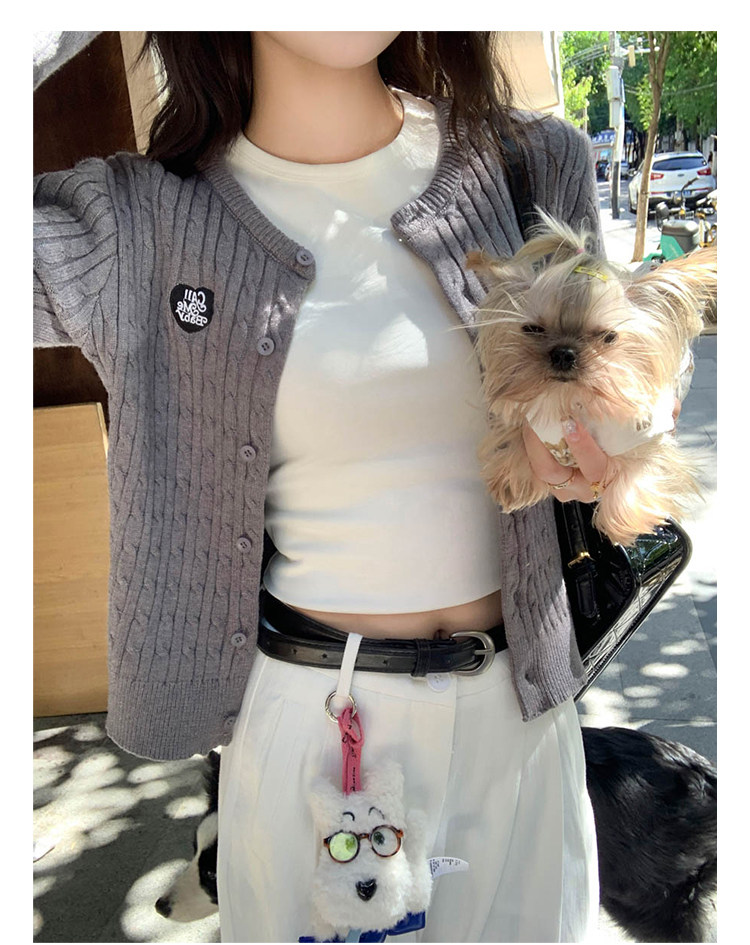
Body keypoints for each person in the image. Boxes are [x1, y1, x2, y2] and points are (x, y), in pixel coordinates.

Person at [34, 31, 612, 942]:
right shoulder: (137, 224)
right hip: (317, 735)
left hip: (521, 719)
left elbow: (610, 387)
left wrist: (603, 440)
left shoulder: (532, 166)